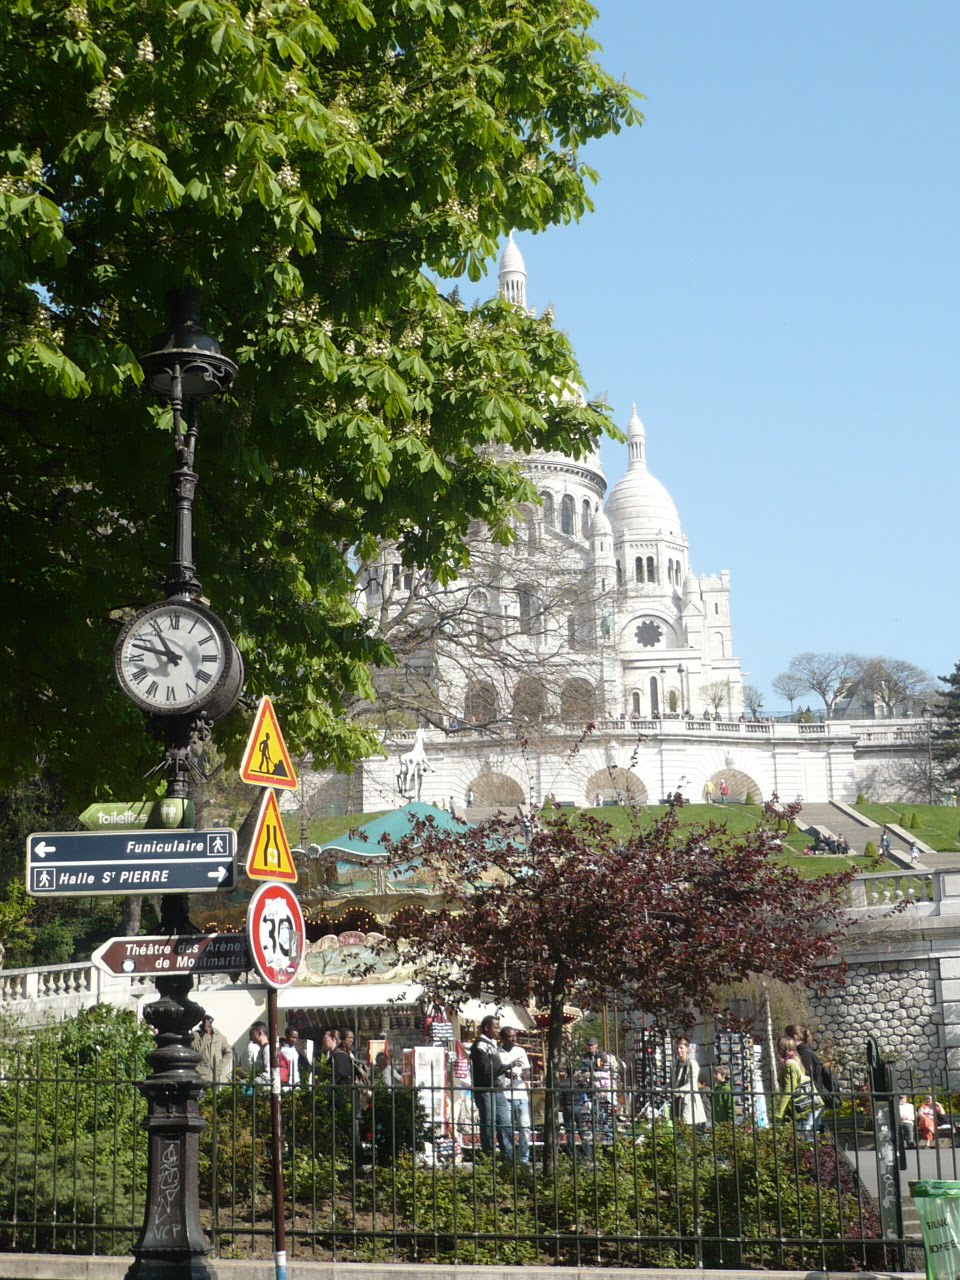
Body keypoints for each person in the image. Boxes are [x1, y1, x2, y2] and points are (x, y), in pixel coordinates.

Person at [469, 1015, 509, 1154]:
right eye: (496, 1027)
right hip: (486, 1089)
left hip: (497, 1089)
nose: (498, 1030)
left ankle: (507, 1154)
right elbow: (486, 1070)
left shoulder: (491, 1045)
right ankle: (488, 1153)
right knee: (488, 1123)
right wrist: (506, 1067)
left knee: (504, 1123)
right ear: (487, 1028)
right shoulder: (480, 1045)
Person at [497, 1026, 532, 1164]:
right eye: (510, 1036)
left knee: (524, 1127)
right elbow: (497, 1069)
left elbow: (527, 1069)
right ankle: (509, 1157)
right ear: (503, 1038)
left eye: (515, 1036)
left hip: (520, 1093)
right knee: (506, 1128)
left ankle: (523, 1157)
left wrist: (525, 1074)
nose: (514, 1039)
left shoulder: (520, 1051)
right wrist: (506, 1072)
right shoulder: (497, 1052)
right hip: (505, 1094)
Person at [784, 1024, 838, 1108]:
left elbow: (808, 1078)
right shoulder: (804, 1053)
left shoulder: (804, 1055)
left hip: (811, 1098)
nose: (785, 1041)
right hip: (811, 1097)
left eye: (786, 1038)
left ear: (794, 1037)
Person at [773, 1036, 819, 1135]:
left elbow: (788, 1090)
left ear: (781, 1049)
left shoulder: (789, 1064)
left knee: (799, 1137)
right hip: (801, 1106)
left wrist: (778, 1112)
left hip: (797, 1107)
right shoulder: (795, 1060)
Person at [672, 1037, 707, 1130]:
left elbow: (692, 1085)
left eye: (681, 1048)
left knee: (689, 1136)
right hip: (677, 1104)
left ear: (687, 1048)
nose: (678, 1050)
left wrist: (675, 1091)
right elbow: (673, 1082)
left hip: (690, 1105)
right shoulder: (675, 1064)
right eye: (676, 1048)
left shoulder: (692, 1063)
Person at [192, 1014, 233, 1084]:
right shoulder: (196, 1035)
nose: (206, 1021)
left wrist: (220, 1065)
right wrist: (204, 1035)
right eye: (204, 1019)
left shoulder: (219, 1037)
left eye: (208, 1019)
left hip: (215, 1075)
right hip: (200, 1074)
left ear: (212, 1020)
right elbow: (195, 1049)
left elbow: (228, 1052)